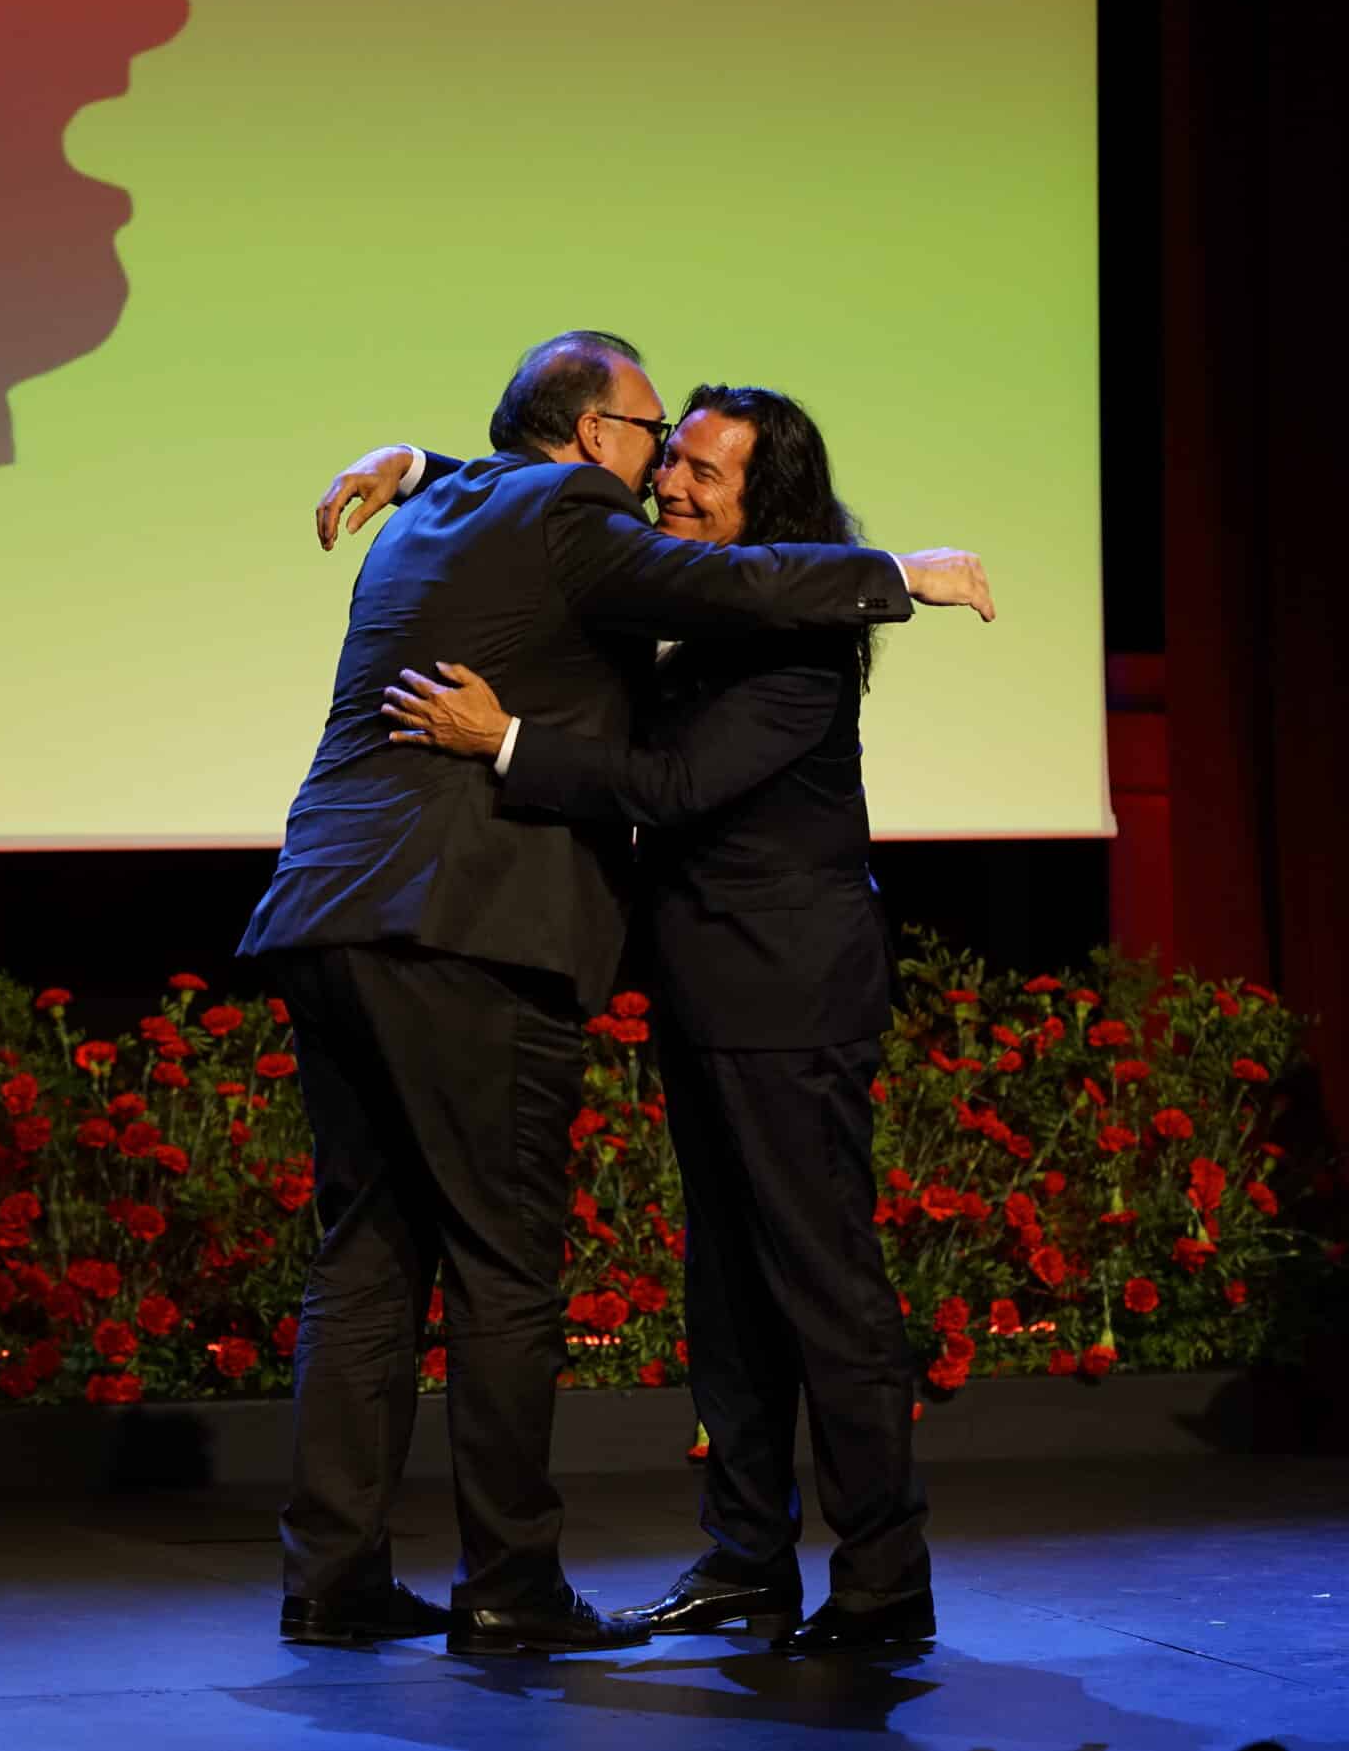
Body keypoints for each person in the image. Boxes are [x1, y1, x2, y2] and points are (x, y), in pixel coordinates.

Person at [242, 331, 993, 1656]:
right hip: (498, 941)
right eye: (662, 446)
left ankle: (876, 1577)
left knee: (803, 1284)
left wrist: (892, 577)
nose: (665, 482)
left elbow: (676, 760)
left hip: (722, 979)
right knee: (563, 1276)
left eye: (699, 468)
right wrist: (413, 458)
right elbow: (593, 526)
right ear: (593, 438)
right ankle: (598, 1578)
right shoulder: (585, 531)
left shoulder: (753, 622)